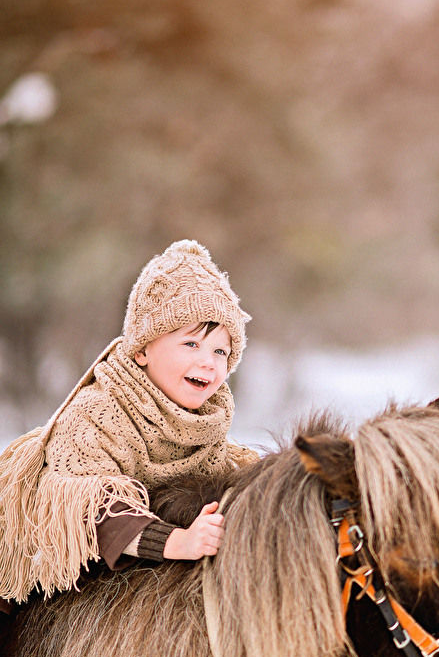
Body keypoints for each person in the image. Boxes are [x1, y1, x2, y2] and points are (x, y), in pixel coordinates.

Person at [0, 239, 258, 612]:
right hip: (43, 553)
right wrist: (178, 542)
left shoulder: (206, 425)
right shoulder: (98, 412)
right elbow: (95, 511)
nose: (209, 362)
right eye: (191, 344)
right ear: (142, 350)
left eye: (221, 351)